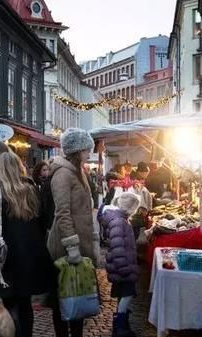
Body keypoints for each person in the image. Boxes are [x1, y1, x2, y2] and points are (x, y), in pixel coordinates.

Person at [0, 152, 55, 337]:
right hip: (31, 253)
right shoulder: (31, 188)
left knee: (10, 302)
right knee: (25, 303)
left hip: (8, 255)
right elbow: (45, 220)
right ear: (20, 167)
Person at [47, 128, 98, 337]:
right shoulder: (62, 174)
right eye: (86, 150)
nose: (89, 154)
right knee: (63, 296)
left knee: (79, 292)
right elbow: (63, 212)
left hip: (80, 241)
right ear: (76, 150)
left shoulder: (79, 172)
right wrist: (72, 246)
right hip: (65, 245)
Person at [101, 192, 141, 337]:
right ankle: (120, 326)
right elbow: (118, 247)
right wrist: (125, 268)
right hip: (122, 267)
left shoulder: (120, 219)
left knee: (124, 295)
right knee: (127, 294)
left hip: (121, 266)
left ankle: (122, 324)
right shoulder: (120, 221)